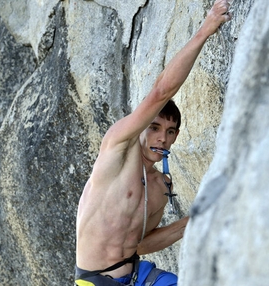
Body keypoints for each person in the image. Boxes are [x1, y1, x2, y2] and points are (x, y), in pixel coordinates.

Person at [75, 0, 232, 285]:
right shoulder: (118, 147)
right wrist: (206, 29)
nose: (163, 137)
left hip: (138, 275)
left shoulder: (162, 185)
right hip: (95, 281)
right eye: (155, 127)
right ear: (140, 127)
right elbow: (161, 91)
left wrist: (198, 217)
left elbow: (142, 244)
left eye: (171, 131)